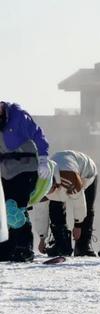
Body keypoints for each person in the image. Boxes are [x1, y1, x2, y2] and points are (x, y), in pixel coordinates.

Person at [0, 101, 52, 262]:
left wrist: (43, 158)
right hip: (5, 170)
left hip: (26, 167)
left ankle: (24, 247)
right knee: (5, 211)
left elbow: (38, 134)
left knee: (13, 208)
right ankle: (7, 248)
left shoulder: (18, 116)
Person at [33, 150, 98, 257]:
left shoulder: (70, 179)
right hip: (63, 170)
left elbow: (80, 205)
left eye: (50, 190)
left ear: (53, 184)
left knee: (88, 207)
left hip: (86, 172)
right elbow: (41, 213)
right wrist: (42, 238)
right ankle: (61, 244)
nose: (48, 194)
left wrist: (78, 225)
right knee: (54, 207)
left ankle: (83, 245)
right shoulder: (40, 187)